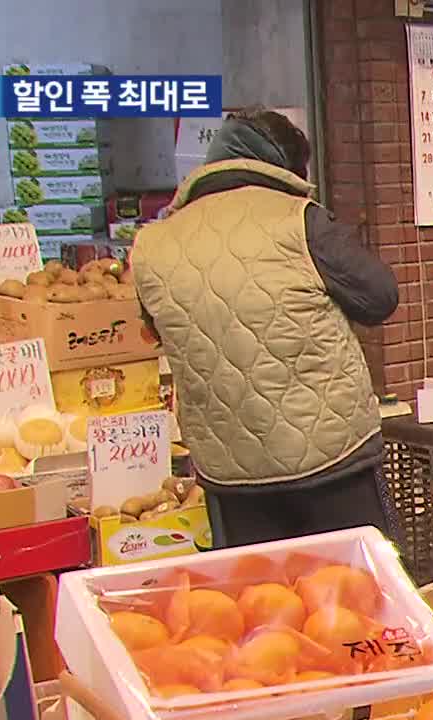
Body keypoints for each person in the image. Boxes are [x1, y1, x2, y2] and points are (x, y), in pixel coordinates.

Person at [131, 110, 396, 548]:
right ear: (285, 167)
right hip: (331, 457)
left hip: (229, 472)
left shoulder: (153, 244)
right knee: (359, 595)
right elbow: (380, 297)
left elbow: (157, 330)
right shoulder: (300, 221)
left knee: (261, 602)